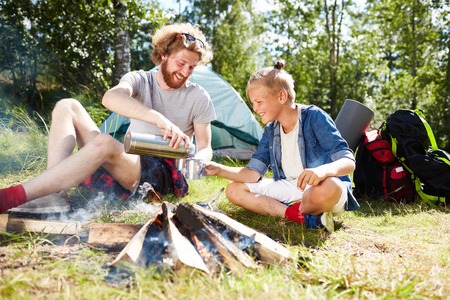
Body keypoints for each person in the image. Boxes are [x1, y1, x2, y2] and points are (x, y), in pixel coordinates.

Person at [0, 23, 216, 213]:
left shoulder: (198, 96)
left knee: (103, 142)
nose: (186, 72)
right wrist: (158, 119)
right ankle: (53, 196)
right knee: (67, 106)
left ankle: (13, 196)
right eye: (181, 63)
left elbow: (206, 146)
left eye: (192, 67)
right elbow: (111, 98)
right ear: (164, 55)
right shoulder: (140, 79)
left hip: (161, 173)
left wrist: (200, 160)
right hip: (130, 160)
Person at [203, 60, 359, 232]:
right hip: (290, 186)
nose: (255, 108)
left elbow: (348, 160)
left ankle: (295, 207)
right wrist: (217, 169)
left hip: (321, 188)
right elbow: (253, 174)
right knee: (234, 189)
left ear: (282, 96)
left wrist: (323, 171)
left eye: (259, 102)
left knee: (331, 186)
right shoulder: (271, 130)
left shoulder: (314, 117)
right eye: (253, 103)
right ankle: (298, 215)